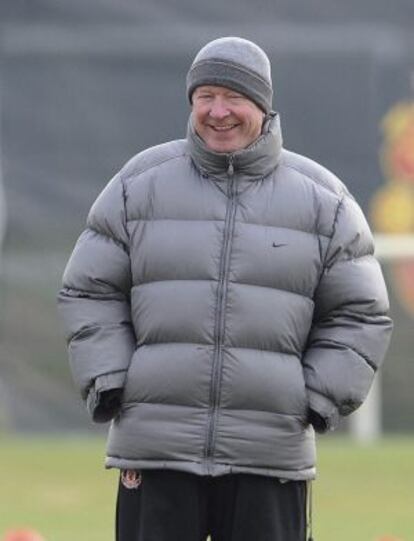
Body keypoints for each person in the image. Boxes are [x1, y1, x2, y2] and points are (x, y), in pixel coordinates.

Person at [58, 37, 393, 541]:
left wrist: (317, 396)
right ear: (191, 102)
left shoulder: (325, 200)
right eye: (205, 96)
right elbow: (88, 288)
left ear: (263, 104)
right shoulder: (137, 184)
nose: (218, 111)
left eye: (233, 97)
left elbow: (361, 312)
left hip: (270, 454)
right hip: (156, 450)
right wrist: (112, 379)